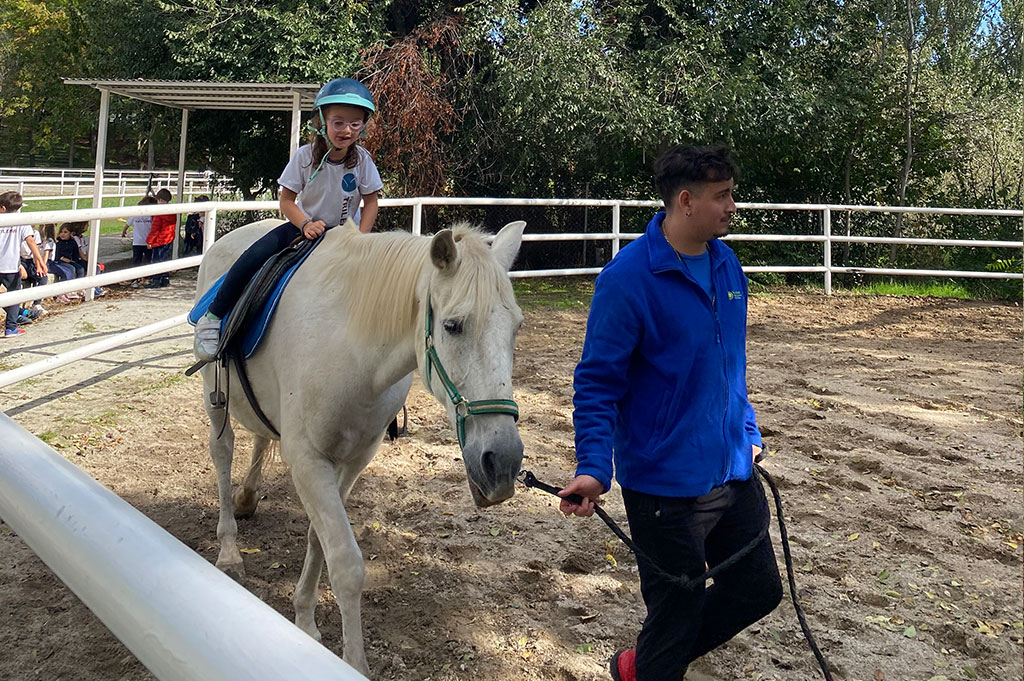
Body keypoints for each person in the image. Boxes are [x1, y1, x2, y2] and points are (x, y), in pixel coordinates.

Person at [558, 145, 783, 681]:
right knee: (676, 615)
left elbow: (731, 366)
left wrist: (747, 430)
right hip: (664, 489)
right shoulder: (627, 280)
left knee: (759, 589)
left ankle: (642, 664)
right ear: (686, 201)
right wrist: (593, 466)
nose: (733, 206)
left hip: (733, 468)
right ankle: (654, 664)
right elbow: (596, 382)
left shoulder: (727, 263)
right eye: (722, 196)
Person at [193, 77, 383, 361]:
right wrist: (305, 223)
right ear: (322, 121)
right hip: (304, 228)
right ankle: (214, 315)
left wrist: (361, 237)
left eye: (355, 123)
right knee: (254, 255)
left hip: (346, 235)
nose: (347, 130)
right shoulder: (305, 157)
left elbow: (371, 202)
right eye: (339, 122)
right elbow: (286, 200)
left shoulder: (363, 160)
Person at [0, 191, 47, 337]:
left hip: (10, 265)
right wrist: (39, 261)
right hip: (10, 266)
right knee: (15, 296)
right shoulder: (22, 221)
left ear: (2, 208)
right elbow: (31, 241)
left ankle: (19, 316)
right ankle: (11, 328)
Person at [123, 195, 156, 286]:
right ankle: (150, 277)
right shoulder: (151, 216)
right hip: (146, 242)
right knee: (149, 260)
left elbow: (127, 224)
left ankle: (136, 279)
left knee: (137, 261)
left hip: (138, 242)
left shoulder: (135, 215)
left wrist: (124, 232)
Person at [145, 189, 175, 288]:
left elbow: (155, 229)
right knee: (165, 259)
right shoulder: (172, 212)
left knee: (156, 261)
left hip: (159, 240)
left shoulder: (159, 214)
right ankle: (165, 278)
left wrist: (149, 241)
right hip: (168, 239)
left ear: (161, 200)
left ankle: (156, 280)